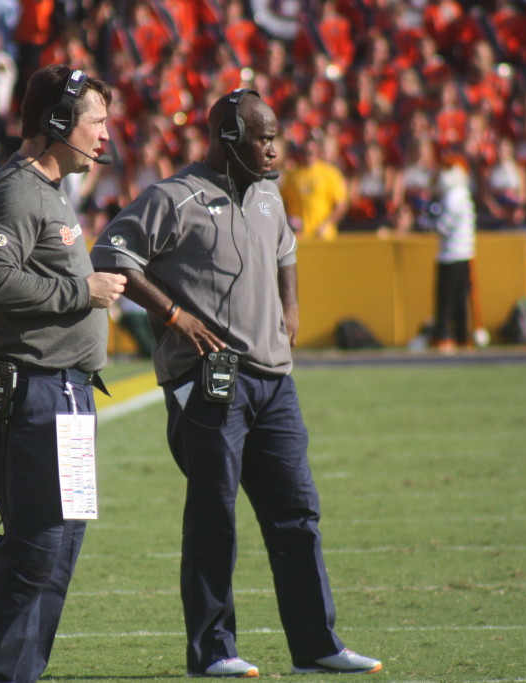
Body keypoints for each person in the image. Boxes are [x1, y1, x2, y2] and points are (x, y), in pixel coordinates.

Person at [91, 89, 381, 678]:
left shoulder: (271, 196)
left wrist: (291, 309)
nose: (274, 148)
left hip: (275, 383)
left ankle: (316, 645)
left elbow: (288, 251)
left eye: (274, 136)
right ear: (228, 138)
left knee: (298, 514)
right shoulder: (175, 197)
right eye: (263, 137)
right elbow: (111, 252)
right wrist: (174, 315)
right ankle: (213, 651)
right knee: (213, 515)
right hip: (209, 383)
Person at [0, 64, 126, 683]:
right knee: (36, 551)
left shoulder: (51, 189)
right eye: (97, 121)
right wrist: (79, 290)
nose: (106, 136)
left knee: (57, 550)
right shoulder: (16, 190)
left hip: (65, 391)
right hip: (35, 391)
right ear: (58, 122)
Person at [422, 156, 477, 352]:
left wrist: (426, 223)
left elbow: (443, 227)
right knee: (459, 298)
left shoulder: (454, 196)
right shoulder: (460, 194)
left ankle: (443, 335)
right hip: (461, 252)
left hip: (452, 254)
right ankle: (462, 336)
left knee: (446, 299)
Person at [279, 135, 348, 239]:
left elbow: (340, 204)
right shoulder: (293, 175)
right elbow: (283, 202)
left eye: (311, 153)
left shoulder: (330, 173)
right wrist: (289, 222)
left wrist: (327, 224)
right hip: (299, 236)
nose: (308, 156)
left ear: (318, 153)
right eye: (304, 153)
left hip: (323, 236)